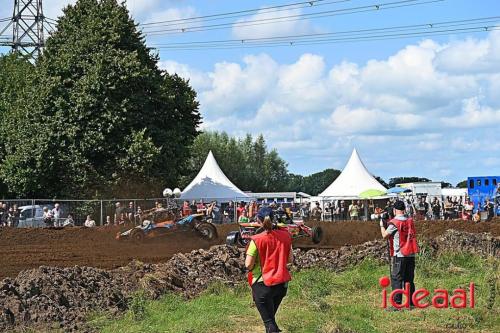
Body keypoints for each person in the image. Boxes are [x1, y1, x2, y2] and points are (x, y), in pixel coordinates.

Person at [245, 209, 293, 333]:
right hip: (281, 285)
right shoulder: (286, 236)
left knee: (270, 324)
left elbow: (248, 265)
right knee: (271, 320)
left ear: (258, 221)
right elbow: (290, 260)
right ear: (274, 219)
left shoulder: (256, 239)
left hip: (263, 285)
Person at [379, 200, 418, 309]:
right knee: (409, 279)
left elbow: (385, 236)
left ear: (395, 210)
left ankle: (397, 304)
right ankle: (411, 303)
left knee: (397, 279)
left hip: (400, 255)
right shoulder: (410, 221)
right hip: (410, 253)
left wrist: (382, 225)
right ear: (404, 209)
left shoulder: (394, 223)